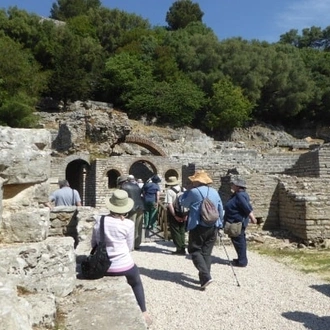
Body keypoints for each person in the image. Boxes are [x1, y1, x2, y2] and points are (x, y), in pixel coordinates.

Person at [91, 189, 152, 326]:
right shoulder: (128, 224)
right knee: (136, 281)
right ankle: (143, 311)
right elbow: (129, 246)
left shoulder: (100, 220)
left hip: (103, 266)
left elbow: (94, 243)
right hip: (124, 265)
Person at [181, 170, 224, 290]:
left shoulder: (194, 192)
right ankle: (204, 279)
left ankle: (205, 276)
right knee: (206, 252)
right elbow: (220, 208)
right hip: (213, 225)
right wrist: (220, 223)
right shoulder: (214, 191)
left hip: (198, 225)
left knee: (194, 250)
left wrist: (187, 192)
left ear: (197, 182)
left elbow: (184, 203)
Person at [224, 177, 257, 267]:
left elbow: (247, 207)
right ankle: (241, 259)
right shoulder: (238, 194)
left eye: (233, 184)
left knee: (239, 241)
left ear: (238, 186)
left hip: (237, 222)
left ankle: (242, 261)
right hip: (235, 221)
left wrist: (252, 218)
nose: (231, 185)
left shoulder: (240, 195)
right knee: (238, 240)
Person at [117, 175, 145, 250]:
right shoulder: (136, 186)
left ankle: (130, 246)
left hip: (131, 208)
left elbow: (122, 199)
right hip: (140, 206)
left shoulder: (123, 187)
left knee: (130, 227)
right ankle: (137, 244)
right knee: (138, 226)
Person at [165, 176, 187, 255]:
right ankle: (183, 247)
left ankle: (179, 249)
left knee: (175, 231)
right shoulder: (184, 189)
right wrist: (186, 214)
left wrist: (174, 215)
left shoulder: (169, 191)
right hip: (184, 212)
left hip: (175, 212)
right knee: (182, 230)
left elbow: (170, 204)